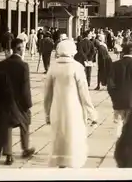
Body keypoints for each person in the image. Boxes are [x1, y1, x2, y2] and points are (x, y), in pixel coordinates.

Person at [43, 40, 98, 168]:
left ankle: (60, 163)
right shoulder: (77, 67)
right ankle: (73, 163)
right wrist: (92, 113)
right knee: (74, 136)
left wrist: (47, 113)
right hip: (75, 108)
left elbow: (47, 94)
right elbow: (84, 93)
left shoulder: (53, 67)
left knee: (59, 137)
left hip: (57, 108)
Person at [0, 38, 36, 165]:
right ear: (19, 49)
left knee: (7, 125)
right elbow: (25, 87)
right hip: (19, 101)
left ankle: (8, 154)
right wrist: (28, 103)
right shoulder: (23, 66)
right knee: (25, 122)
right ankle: (25, 148)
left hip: (5, 100)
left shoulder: (2, 64)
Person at [108, 42, 132, 138]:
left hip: (118, 99)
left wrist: (114, 95)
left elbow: (110, 84)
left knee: (118, 125)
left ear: (122, 52)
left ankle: (119, 143)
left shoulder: (114, 65)